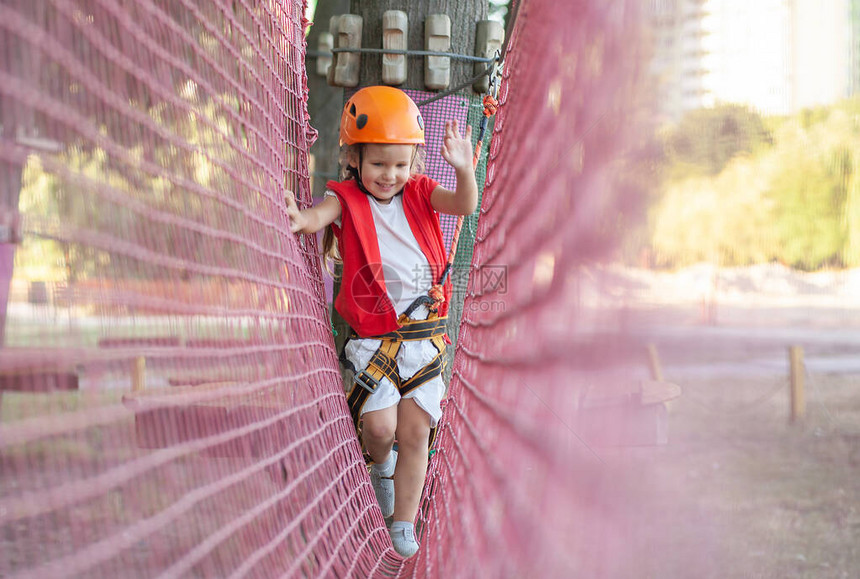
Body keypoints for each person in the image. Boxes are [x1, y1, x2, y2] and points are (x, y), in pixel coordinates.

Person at [285, 86, 477, 558]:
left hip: (423, 338)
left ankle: (403, 522)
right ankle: (380, 467)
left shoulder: (418, 191)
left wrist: (464, 170)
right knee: (379, 430)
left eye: (398, 163)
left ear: (412, 161)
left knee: (415, 432)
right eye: (377, 164)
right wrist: (300, 218)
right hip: (375, 340)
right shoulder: (347, 198)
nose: (388, 175)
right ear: (354, 158)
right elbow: (318, 217)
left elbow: (463, 206)